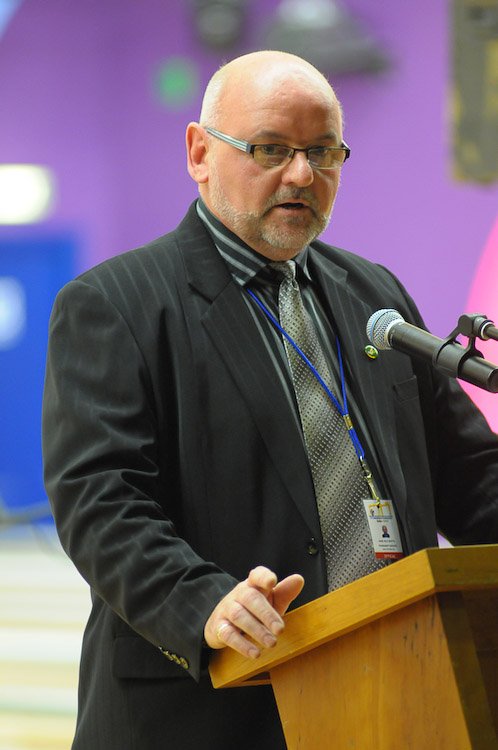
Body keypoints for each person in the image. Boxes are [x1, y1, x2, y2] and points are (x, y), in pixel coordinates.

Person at [42, 50, 498, 749]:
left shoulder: (374, 293)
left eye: (323, 152)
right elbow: (100, 500)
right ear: (200, 153)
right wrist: (202, 601)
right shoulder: (115, 304)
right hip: (212, 707)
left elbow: (469, 474)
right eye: (271, 149)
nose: (301, 175)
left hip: (396, 691)